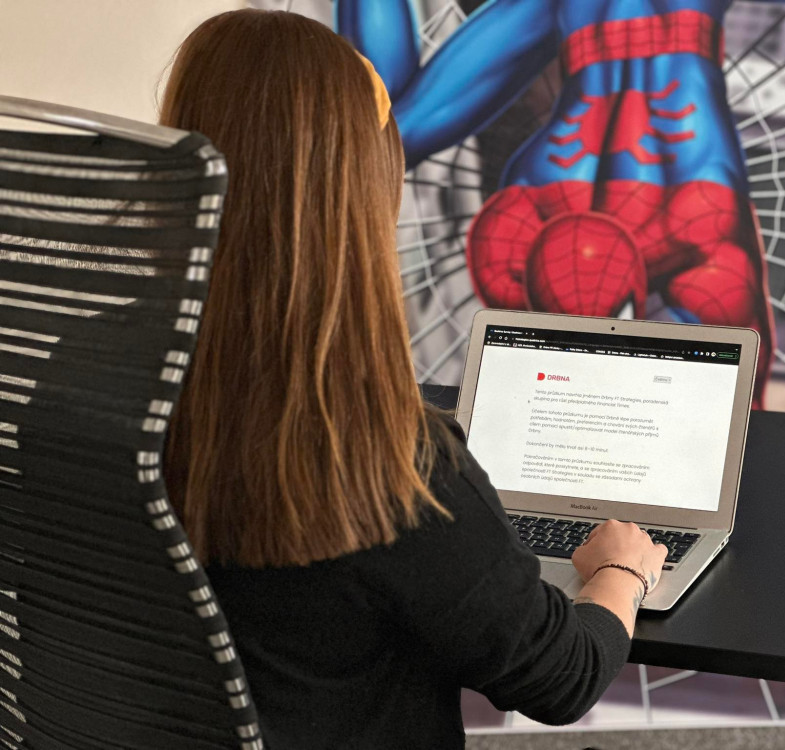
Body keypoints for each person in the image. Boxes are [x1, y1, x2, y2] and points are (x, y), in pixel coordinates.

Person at [160, 9, 667, 749]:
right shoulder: (388, 466)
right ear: (364, 195)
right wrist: (621, 570)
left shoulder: (91, 391)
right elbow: (562, 676)